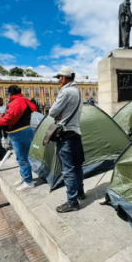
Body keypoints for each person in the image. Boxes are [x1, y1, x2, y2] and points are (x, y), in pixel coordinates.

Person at [48, 67, 85, 213]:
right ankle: (80, 192)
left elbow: (52, 112)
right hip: (76, 132)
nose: (59, 80)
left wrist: (58, 115)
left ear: (64, 78)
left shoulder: (65, 91)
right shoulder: (77, 91)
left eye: (60, 78)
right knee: (77, 165)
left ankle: (72, 202)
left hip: (66, 134)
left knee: (68, 169)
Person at [0, 85, 37, 191]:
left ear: (11, 93)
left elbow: (11, 117)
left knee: (22, 159)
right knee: (22, 158)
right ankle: (23, 177)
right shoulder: (24, 100)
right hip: (26, 131)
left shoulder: (17, 102)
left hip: (19, 133)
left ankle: (28, 181)